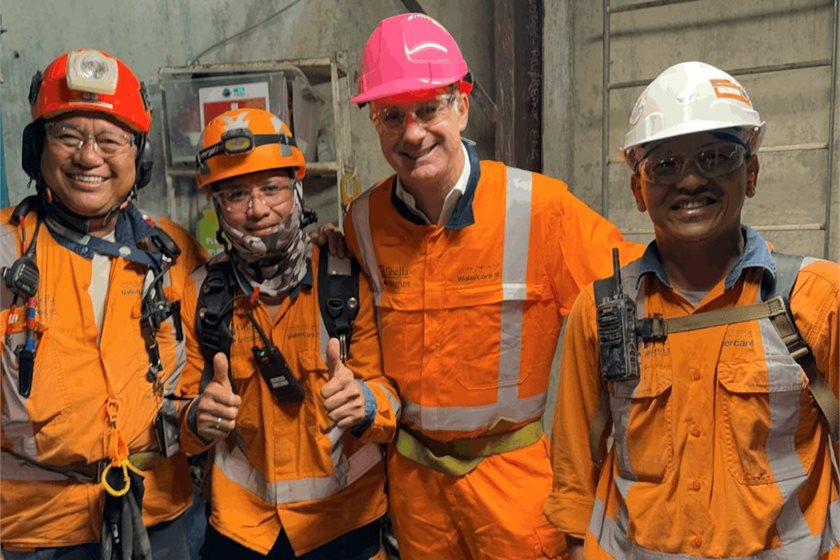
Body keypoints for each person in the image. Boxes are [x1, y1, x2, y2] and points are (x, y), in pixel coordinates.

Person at [338, 13, 643, 560]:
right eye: (391, 116)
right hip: (415, 488)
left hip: (514, 484)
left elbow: (634, 294)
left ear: (462, 103)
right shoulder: (361, 223)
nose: (412, 133)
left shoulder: (539, 209)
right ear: (374, 122)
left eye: (428, 108)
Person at [546, 61, 840, 558]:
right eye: (664, 164)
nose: (689, 181)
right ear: (639, 190)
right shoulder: (600, 312)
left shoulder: (816, 299)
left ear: (751, 173)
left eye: (715, 157)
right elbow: (575, 471)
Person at [0, 49, 206, 558]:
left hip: (163, 518)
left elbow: (204, 376)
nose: (89, 157)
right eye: (68, 135)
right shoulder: (4, 250)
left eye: (110, 139)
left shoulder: (172, 252)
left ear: (139, 159)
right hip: (36, 532)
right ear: (35, 150)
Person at [177, 107, 398, 559]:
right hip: (244, 531)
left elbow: (390, 393)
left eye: (272, 188)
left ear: (297, 189)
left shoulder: (345, 276)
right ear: (216, 205)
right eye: (237, 194)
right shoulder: (202, 294)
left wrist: (368, 403)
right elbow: (180, 418)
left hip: (344, 522)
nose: (258, 210)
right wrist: (199, 417)